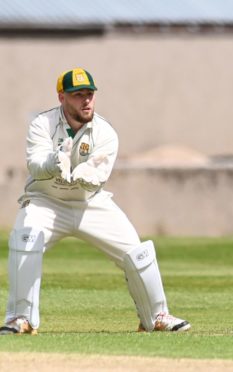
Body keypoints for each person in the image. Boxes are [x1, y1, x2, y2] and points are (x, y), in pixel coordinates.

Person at [0, 68, 190, 335]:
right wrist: (54, 163)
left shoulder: (106, 132)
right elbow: (34, 165)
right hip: (45, 201)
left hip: (90, 203)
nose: (86, 101)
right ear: (62, 97)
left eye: (89, 94)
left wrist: (87, 175)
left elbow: (99, 176)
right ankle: (20, 318)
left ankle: (156, 316)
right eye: (78, 95)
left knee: (137, 252)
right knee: (25, 240)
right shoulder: (42, 124)